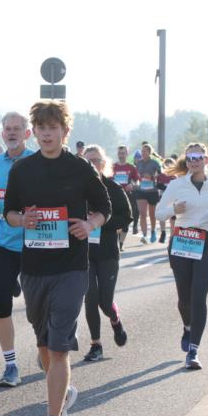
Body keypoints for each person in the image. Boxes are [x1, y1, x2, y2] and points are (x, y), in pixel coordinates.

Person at [3, 100, 111, 416]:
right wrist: (23, 220)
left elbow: (105, 209)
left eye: (54, 128)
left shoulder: (80, 168)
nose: (47, 134)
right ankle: (63, 392)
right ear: (35, 132)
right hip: (33, 268)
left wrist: (88, 224)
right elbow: (9, 214)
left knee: (59, 345)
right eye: (42, 128)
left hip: (71, 267)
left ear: (66, 131)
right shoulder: (22, 170)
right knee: (44, 348)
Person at [156, 143, 208, 370]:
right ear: (186, 161)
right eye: (190, 157)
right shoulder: (176, 185)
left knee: (198, 297)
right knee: (184, 298)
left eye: (198, 157)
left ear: (206, 160)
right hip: (182, 241)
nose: (194, 161)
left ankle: (193, 350)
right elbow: (160, 212)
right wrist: (174, 210)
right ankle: (187, 327)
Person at [0, 112, 35, 387]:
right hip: (5, 244)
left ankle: (48, 347)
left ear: (27, 133)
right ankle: (10, 365)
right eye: (8, 129)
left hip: (36, 244)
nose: (12, 133)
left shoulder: (37, 162)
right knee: (1, 305)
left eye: (17, 128)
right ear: (2, 134)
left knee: (37, 308)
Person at [82, 146, 132, 362]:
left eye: (96, 160)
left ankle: (115, 321)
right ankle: (96, 345)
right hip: (84, 252)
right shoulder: (77, 189)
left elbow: (126, 217)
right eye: (88, 161)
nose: (92, 164)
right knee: (90, 297)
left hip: (108, 252)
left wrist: (101, 220)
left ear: (104, 164)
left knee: (105, 301)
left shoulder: (113, 188)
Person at [136, 143, 162, 243]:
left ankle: (153, 231)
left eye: (145, 151)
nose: (143, 153)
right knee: (142, 214)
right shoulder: (138, 163)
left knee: (152, 214)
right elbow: (135, 175)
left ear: (149, 152)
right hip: (141, 190)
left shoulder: (154, 163)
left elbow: (160, 175)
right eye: (142, 151)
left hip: (152, 190)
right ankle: (144, 236)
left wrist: (151, 177)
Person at [113, 145, 140, 240]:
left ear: (127, 154)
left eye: (123, 153)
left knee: (125, 220)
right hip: (114, 196)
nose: (121, 155)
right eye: (119, 153)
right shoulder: (112, 166)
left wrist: (132, 185)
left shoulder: (131, 167)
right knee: (115, 219)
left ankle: (121, 243)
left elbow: (137, 181)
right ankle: (117, 241)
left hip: (127, 196)